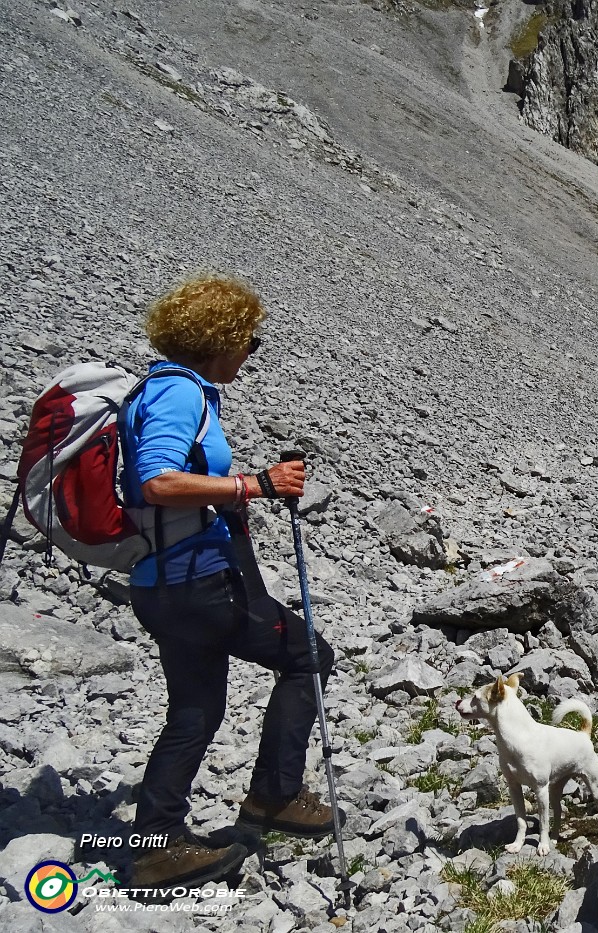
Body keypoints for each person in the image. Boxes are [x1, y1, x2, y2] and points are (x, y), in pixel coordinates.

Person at [120, 273, 336, 893]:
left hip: (166, 581)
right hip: (198, 583)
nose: (251, 352)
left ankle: (153, 847)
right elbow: (157, 482)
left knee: (195, 709)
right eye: (250, 341)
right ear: (221, 339)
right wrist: (253, 486)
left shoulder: (157, 390)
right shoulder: (181, 394)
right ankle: (274, 796)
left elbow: (167, 486)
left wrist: (232, 491)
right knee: (308, 654)